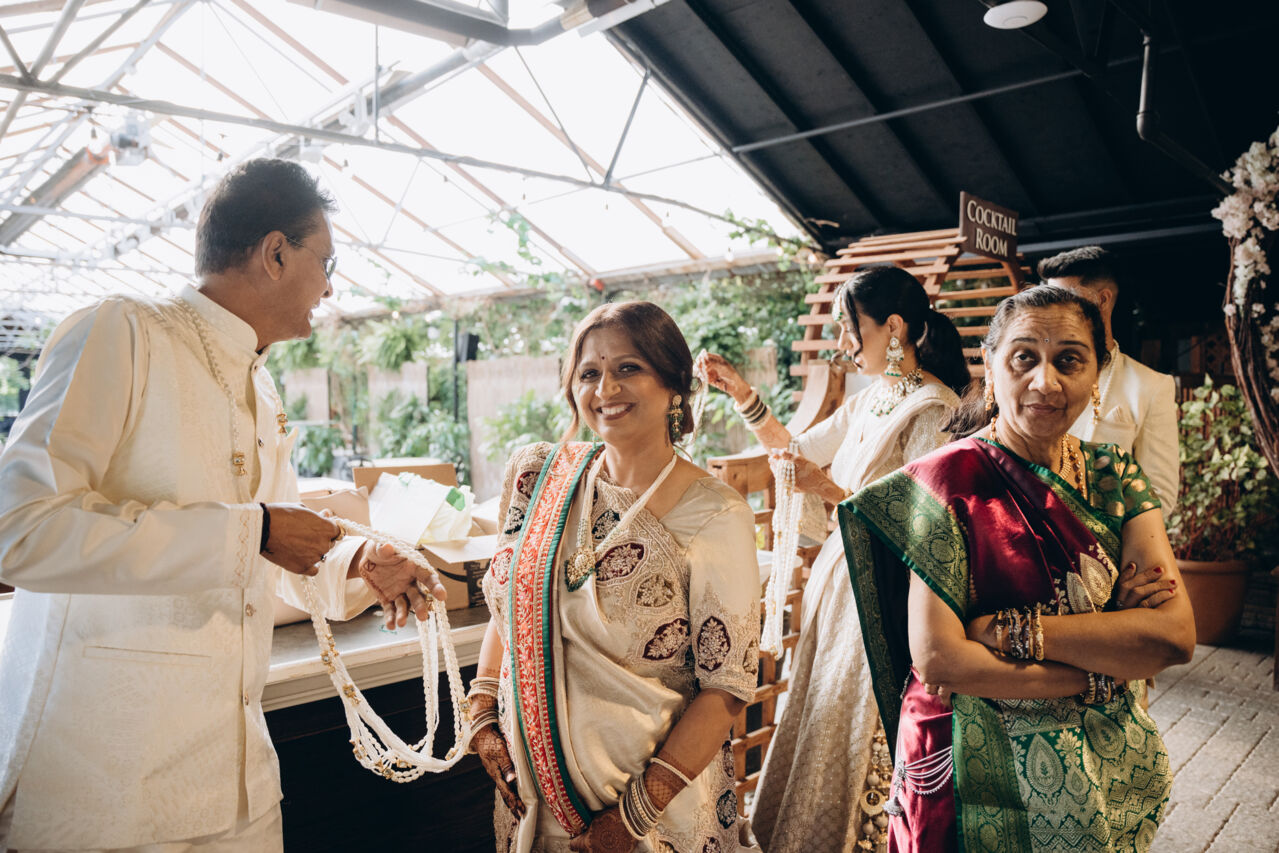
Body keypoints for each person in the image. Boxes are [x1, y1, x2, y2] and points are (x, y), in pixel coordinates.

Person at [0, 159, 442, 852]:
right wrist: (255, 532)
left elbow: (276, 543)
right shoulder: (123, 331)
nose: (330, 287)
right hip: (106, 786)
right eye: (325, 262)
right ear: (275, 253)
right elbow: (19, 532)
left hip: (238, 783)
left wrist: (357, 559)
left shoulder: (259, 385)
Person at [840, 284, 1196, 852]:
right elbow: (940, 659)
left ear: (1097, 373)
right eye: (1024, 357)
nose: (1045, 382)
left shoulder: (1115, 477)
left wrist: (1008, 632)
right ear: (991, 365)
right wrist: (1105, 667)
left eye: (1069, 360)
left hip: (1097, 764)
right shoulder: (947, 483)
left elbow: (1174, 637)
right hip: (965, 767)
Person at [468, 301, 761, 853]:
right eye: (589, 373)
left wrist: (632, 818)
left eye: (629, 368)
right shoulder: (537, 477)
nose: (606, 388)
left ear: (674, 385)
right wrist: (482, 710)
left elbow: (727, 687)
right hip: (530, 809)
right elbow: (514, 606)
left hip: (651, 821)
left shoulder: (715, 513)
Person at [696, 267, 972, 853]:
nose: (845, 345)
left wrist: (823, 489)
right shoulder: (873, 399)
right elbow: (795, 452)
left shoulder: (932, 409)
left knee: (855, 728)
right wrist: (742, 395)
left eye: (852, 329)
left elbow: (920, 532)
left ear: (893, 328)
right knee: (819, 715)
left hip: (885, 596)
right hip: (839, 586)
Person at [1038, 246, 1180, 513]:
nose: (1054, 311)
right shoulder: (1036, 379)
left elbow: (1160, 496)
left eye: (1064, 299)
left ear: (1102, 300)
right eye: (1049, 299)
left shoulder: (1151, 386)